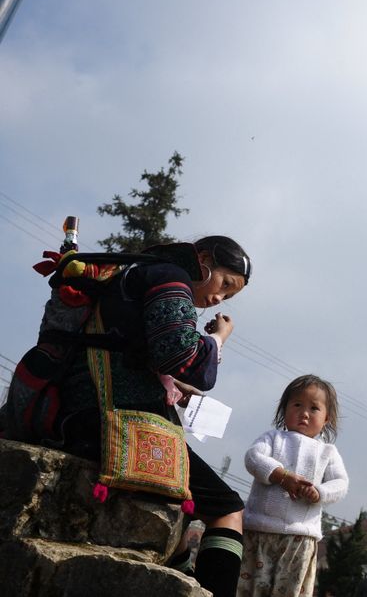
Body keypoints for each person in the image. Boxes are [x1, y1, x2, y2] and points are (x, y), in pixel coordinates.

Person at [1, 236, 252, 597]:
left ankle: (187, 584)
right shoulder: (171, 278)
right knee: (228, 508)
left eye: (228, 298)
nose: (218, 298)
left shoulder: (131, 272)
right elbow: (183, 358)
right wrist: (218, 342)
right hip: (112, 425)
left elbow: (124, 351)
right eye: (223, 284)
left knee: (176, 512)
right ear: (202, 259)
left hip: (68, 414)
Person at [237, 374, 350, 597]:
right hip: (258, 532)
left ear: (326, 418)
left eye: (314, 408)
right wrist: (282, 476)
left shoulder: (327, 452)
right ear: (284, 408)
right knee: (248, 590)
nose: (304, 413)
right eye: (297, 404)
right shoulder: (272, 438)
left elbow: (341, 483)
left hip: (300, 538)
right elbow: (253, 458)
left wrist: (319, 492)